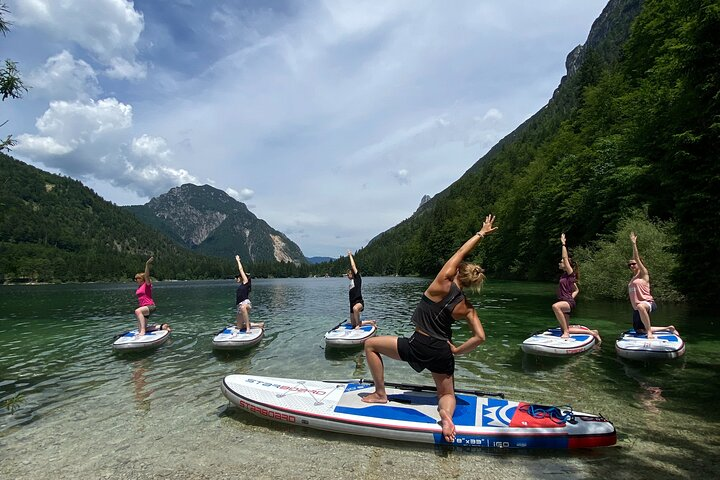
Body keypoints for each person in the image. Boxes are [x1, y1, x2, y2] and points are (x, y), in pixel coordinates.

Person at [361, 214, 497, 443]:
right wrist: (456, 351)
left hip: (418, 345)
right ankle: (445, 415)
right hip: (441, 351)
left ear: (457, 271)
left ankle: (380, 393)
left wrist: (481, 233)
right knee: (446, 394)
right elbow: (480, 337)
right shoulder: (467, 307)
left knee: (370, 344)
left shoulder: (441, 281)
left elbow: (460, 252)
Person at [551, 233, 601, 344]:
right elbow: (576, 289)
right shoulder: (565, 276)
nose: (560, 262)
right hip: (567, 301)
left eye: (561, 262)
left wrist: (563, 244)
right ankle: (593, 332)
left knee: (555, 307)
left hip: (567, 302)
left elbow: (564, 257)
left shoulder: (570, 273)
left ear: (567, 264)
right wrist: (571, 297)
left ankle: (566, 334)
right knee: (565, 328)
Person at [628, 232, 678, 339]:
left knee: (641, 307)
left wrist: (634, 244)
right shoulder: (632, 279)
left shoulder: (643, 274)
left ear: (639, 263)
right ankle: (669, 328)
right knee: (639, 330)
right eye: (630, 264)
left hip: (647, 303)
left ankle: (649, 332)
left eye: (634, 263)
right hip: (637, 309)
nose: (632, 265)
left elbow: (636, 258)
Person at [133, 256, 169, 336]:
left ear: (142, 279)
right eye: (135, 279)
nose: (135, 280)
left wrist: (147, 264)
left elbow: (146, 276)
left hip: (150, 306)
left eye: (137, 278)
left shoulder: (147, 285)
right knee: (142, 328)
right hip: (144, 309)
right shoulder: (139, 287)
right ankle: (162, 326)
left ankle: (143, 331)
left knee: (137, 311)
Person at [235, 255, 263, 332]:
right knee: (239, 326)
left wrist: (238, 260)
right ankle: (258, 325)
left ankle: (248, 328)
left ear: (242, 277)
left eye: (237, 277)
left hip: (245, 304)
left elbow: (241, 269)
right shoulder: (241, 285)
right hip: (239, 306)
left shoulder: (245, 282)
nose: (236, 278)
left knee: (243, 307)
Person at [347, 250, 367, 329]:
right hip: (352, 305)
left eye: (348, 274)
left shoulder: (357, 278)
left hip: (359, 302)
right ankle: (370, 322)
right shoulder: (351, 283)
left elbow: (353, 266)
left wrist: (350, 255)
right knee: (353, 324)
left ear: (352, 273)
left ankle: (358, 325)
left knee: (355, 309)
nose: (347, 276)